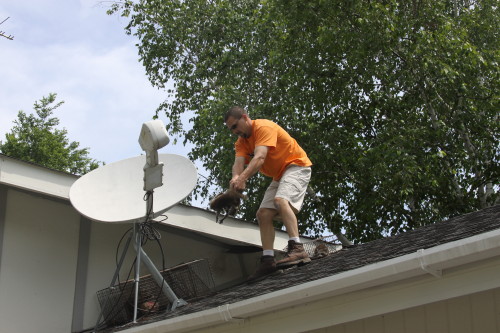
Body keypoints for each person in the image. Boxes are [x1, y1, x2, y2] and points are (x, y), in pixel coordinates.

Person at [224, 106, 313, 282]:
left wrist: (243, 178)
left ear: (245, 117)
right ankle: (268, 261)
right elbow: (238, 163)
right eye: (231, 129)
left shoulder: (263, 127)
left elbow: (260, 158)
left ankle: (297, 248)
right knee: (263, 213)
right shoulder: (241, 142)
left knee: (281, 200)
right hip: (280, 175)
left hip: (297, 166)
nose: (234, 131)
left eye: (235, 126)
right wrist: (235, 179)